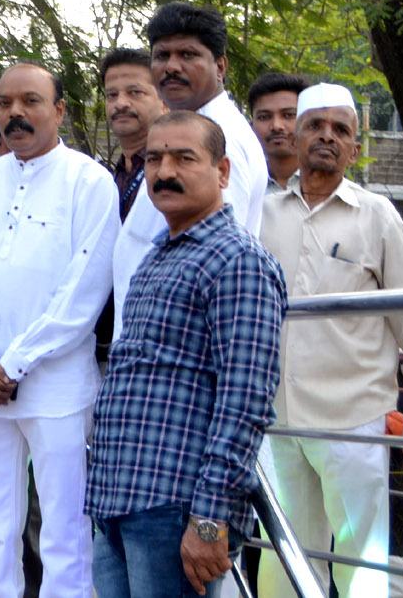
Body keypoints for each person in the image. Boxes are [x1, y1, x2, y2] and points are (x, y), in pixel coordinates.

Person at [0, 62, 118, 598]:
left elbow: (84, 292)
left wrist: (12, 365)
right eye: (8, 103)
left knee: (65, 531)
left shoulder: (89, 181)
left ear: (59, 110)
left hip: (55, 387)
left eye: (31, 101)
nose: (17, 113)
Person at [87, 112, 286, 598]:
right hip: (119, 497)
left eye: (183, 158)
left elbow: (246, 400)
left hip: (179, 508)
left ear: (222, 173)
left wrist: (210, 518)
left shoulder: (238, 261)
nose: (163, 171)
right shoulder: (158, 255)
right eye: (154, 159)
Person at [257, 82, 403, 598]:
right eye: (316, 125)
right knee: (283, 553)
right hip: (276, 415)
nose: (326, 137)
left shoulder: (376, 215)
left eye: (341, 130)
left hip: (353, 415)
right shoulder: (261, 213)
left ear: (355, 147)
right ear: (296, 134)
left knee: (360, 560)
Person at [111, 2, 268, 335]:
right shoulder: (182, 130)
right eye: (162, 55)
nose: (172, 67)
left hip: (178, 347)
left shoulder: (223, 138)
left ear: (220, 65)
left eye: (188, 55)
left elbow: (221, 258)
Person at [98, 48, 164, 221]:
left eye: (135, 92)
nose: (120, 103)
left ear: (164, 101)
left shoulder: (176, 170)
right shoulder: (109, 175)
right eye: (112, 95)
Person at [247, 72, 309, 191]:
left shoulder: (329, 185)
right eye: (264, 117)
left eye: (288, 115)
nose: (276, 126)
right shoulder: (241, 184)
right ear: (251, 127)